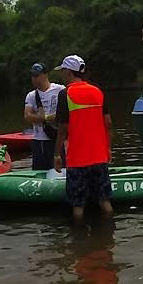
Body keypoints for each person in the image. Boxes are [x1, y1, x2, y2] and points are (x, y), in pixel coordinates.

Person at [53, 54, 114, 224]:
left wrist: (57, 155)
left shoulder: (65, 94)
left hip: (77, 160)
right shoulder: (97, 91)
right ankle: (108, 235)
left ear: (68, 72)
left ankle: (78, 242)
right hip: (99, 157)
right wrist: (108, 148)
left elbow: (63, 130)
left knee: (78, 206)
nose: (62, 75)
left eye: (63, 71)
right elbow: (108, 123)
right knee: (105, 202)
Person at [23, 62, 65, 171]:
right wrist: (46, 118)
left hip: (56, 138)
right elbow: (27, 116)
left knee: (59, 169)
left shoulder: (60, 89)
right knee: (39, 170)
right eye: (32, 76)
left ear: (45, 75)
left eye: (37, 75)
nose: (34, 79)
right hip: (39, 139)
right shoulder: (32, 95)